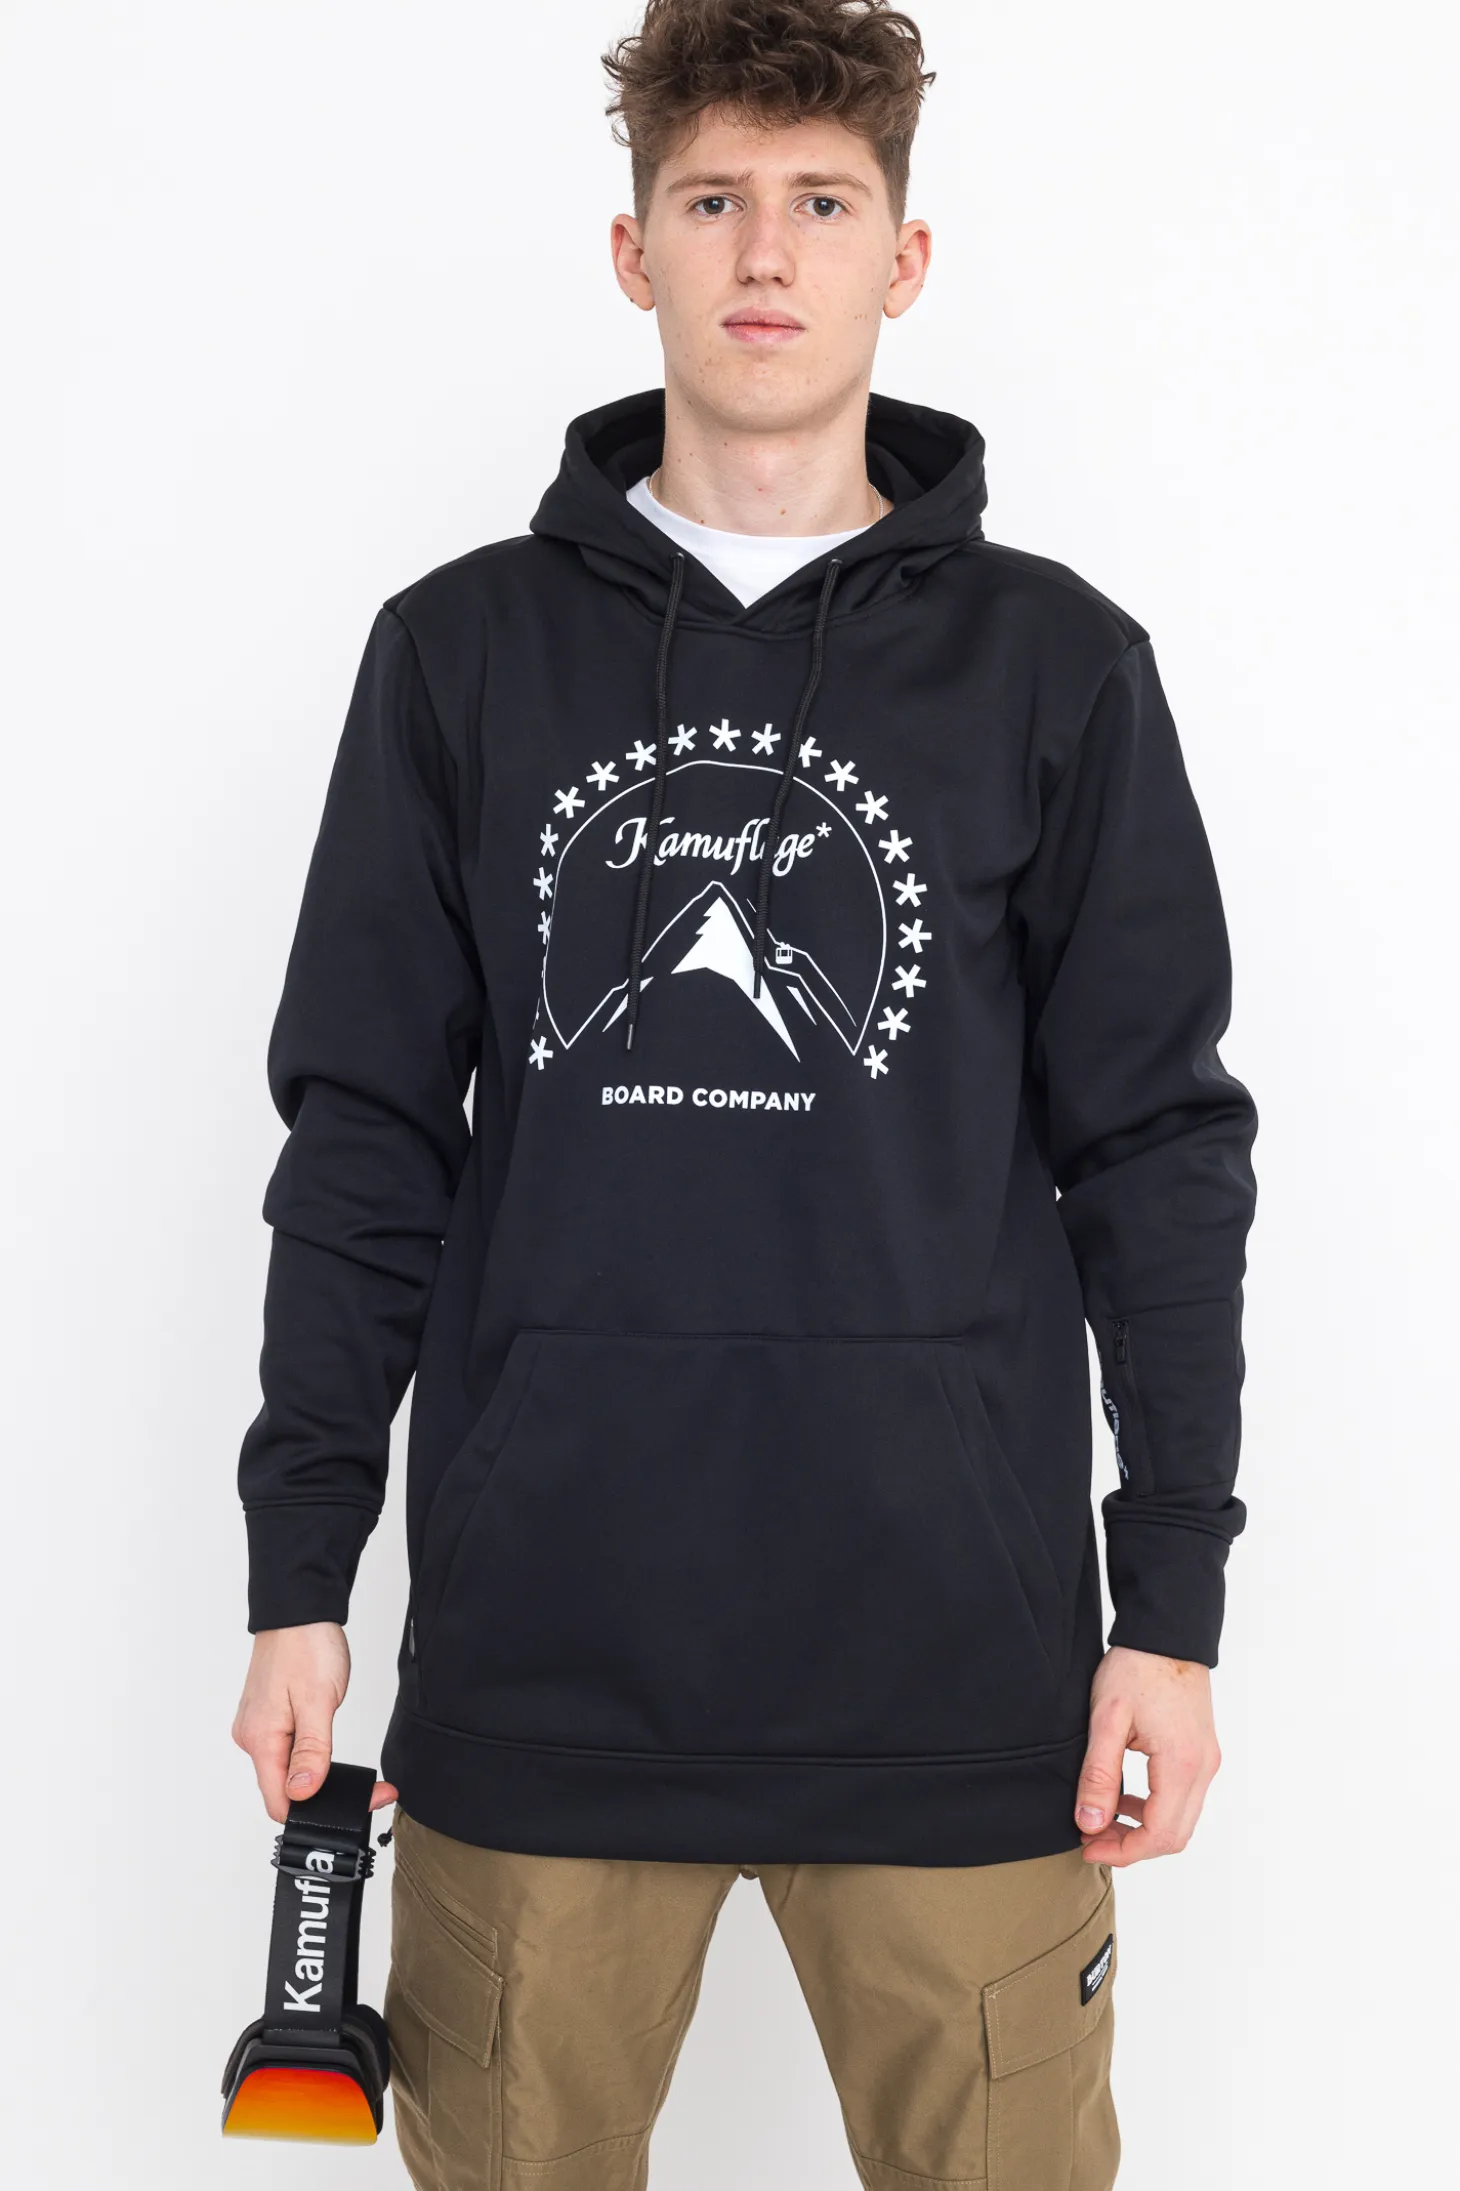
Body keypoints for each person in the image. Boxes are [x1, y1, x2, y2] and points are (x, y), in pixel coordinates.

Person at [230, 3, 1258, 2184]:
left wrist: (1168, 1608)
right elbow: (366, 1136)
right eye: (712, 201)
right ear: (636, 251)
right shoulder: (460, 655)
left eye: (821, 203)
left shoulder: (1057, 666)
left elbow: (1159, 1151)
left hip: (961, 1684)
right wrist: (299, 1568)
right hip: (544, 1671)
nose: (764, 252)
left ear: (904, 256)